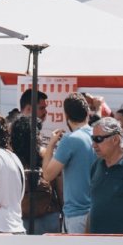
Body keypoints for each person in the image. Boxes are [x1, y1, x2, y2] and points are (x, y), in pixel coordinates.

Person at [42, 94, 96, 234]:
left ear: (66, 115)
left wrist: (51, 144)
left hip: (76, 214)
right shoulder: (98, 137)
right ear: (87, 113)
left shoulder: (70, 140)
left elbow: (47, 175)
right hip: (97, 211)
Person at [10, 117, 62, 235]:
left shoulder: (11, 158)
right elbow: (59, 188)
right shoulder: (46, 155)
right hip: (48, 216)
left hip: (19, 218)